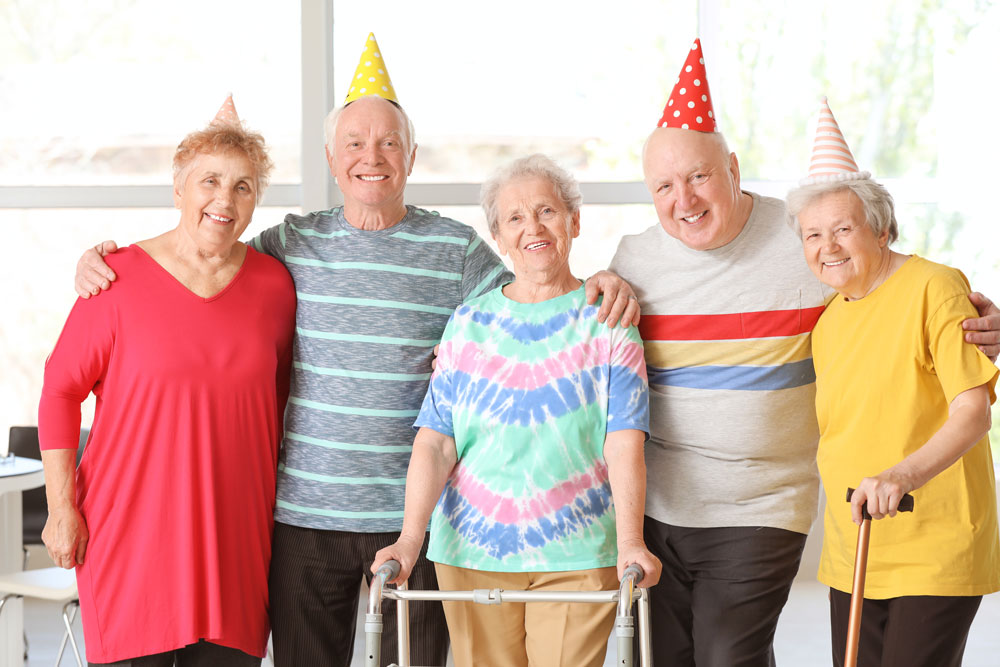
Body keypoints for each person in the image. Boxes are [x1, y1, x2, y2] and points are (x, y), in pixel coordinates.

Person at [70, 35, 640, 666]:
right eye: (355, 144)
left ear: (412, 157)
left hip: (413, 520)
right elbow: (200, 265)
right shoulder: (287, 244)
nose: (373, 156)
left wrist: (597, 283)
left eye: (389, 143)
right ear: (331, 159)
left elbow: (532, 297)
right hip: (304, 516)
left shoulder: (456, 252)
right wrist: (106, 263)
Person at [608, 40, 1000, 667]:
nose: (684, 199)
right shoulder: (640, 260)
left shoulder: (859, 261)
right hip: (758, 518)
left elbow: (911, 297)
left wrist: (984, 322)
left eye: (700, 176)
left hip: (809, 511)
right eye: (665, 184)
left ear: (732, 169)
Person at [372, 154, 661, 667]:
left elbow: (624, 442)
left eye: (547, 211)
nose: (533, 228)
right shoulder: (467, 324)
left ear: (573, 221)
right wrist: (409, 539)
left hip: (577, 552)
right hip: (471, 552)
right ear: (499, 237)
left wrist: (630, 542)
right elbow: (437, 441)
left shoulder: (609, 322)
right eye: (515, 218)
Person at [38, 97, 295, 665]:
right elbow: (59, 392)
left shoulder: (276, 286)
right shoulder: (115, 280)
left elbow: (282, 398)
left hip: (235, 543)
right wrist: (61, 507)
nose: (223, 200)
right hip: (130, 538)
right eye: (209, 181)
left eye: (243, 186)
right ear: (178, 187)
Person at [785, 98, 998, 667]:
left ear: (883, 230)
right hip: (853, 545)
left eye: (843, 229)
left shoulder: (936, 287)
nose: (827, 246)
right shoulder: (828, 322)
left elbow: (973, 411)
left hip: (932, 543)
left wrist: (901, 475)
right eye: (811, 235)